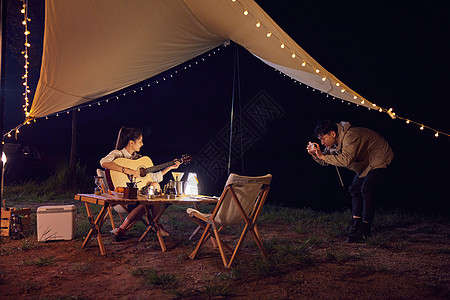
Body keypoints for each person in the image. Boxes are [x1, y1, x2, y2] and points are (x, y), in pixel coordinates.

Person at [306, 120, 394, 243]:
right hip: (366, 162)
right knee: (354, 189)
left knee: (366, 189)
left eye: (323, 139)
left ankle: (365, 228)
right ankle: (356, 222)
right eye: (320, 140)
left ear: (332, 134)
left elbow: (345, 160)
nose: (322, 142)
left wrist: (322, 156)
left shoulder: (351, 136)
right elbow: (327, 160)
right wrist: (316, 154)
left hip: (380, 157)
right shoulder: (335, 143)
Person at [100, 127, 181, 239]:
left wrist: (170, 167)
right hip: (124, 197)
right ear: (131, 143)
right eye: (140, 141)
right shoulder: (118, 154)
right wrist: (127, 170)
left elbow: (153, 177)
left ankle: (126, 228)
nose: (142, 144)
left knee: (154, 187)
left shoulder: (140, 160)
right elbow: (103, 162)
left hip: (140, 197)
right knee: (150, 200)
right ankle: (154, 225)